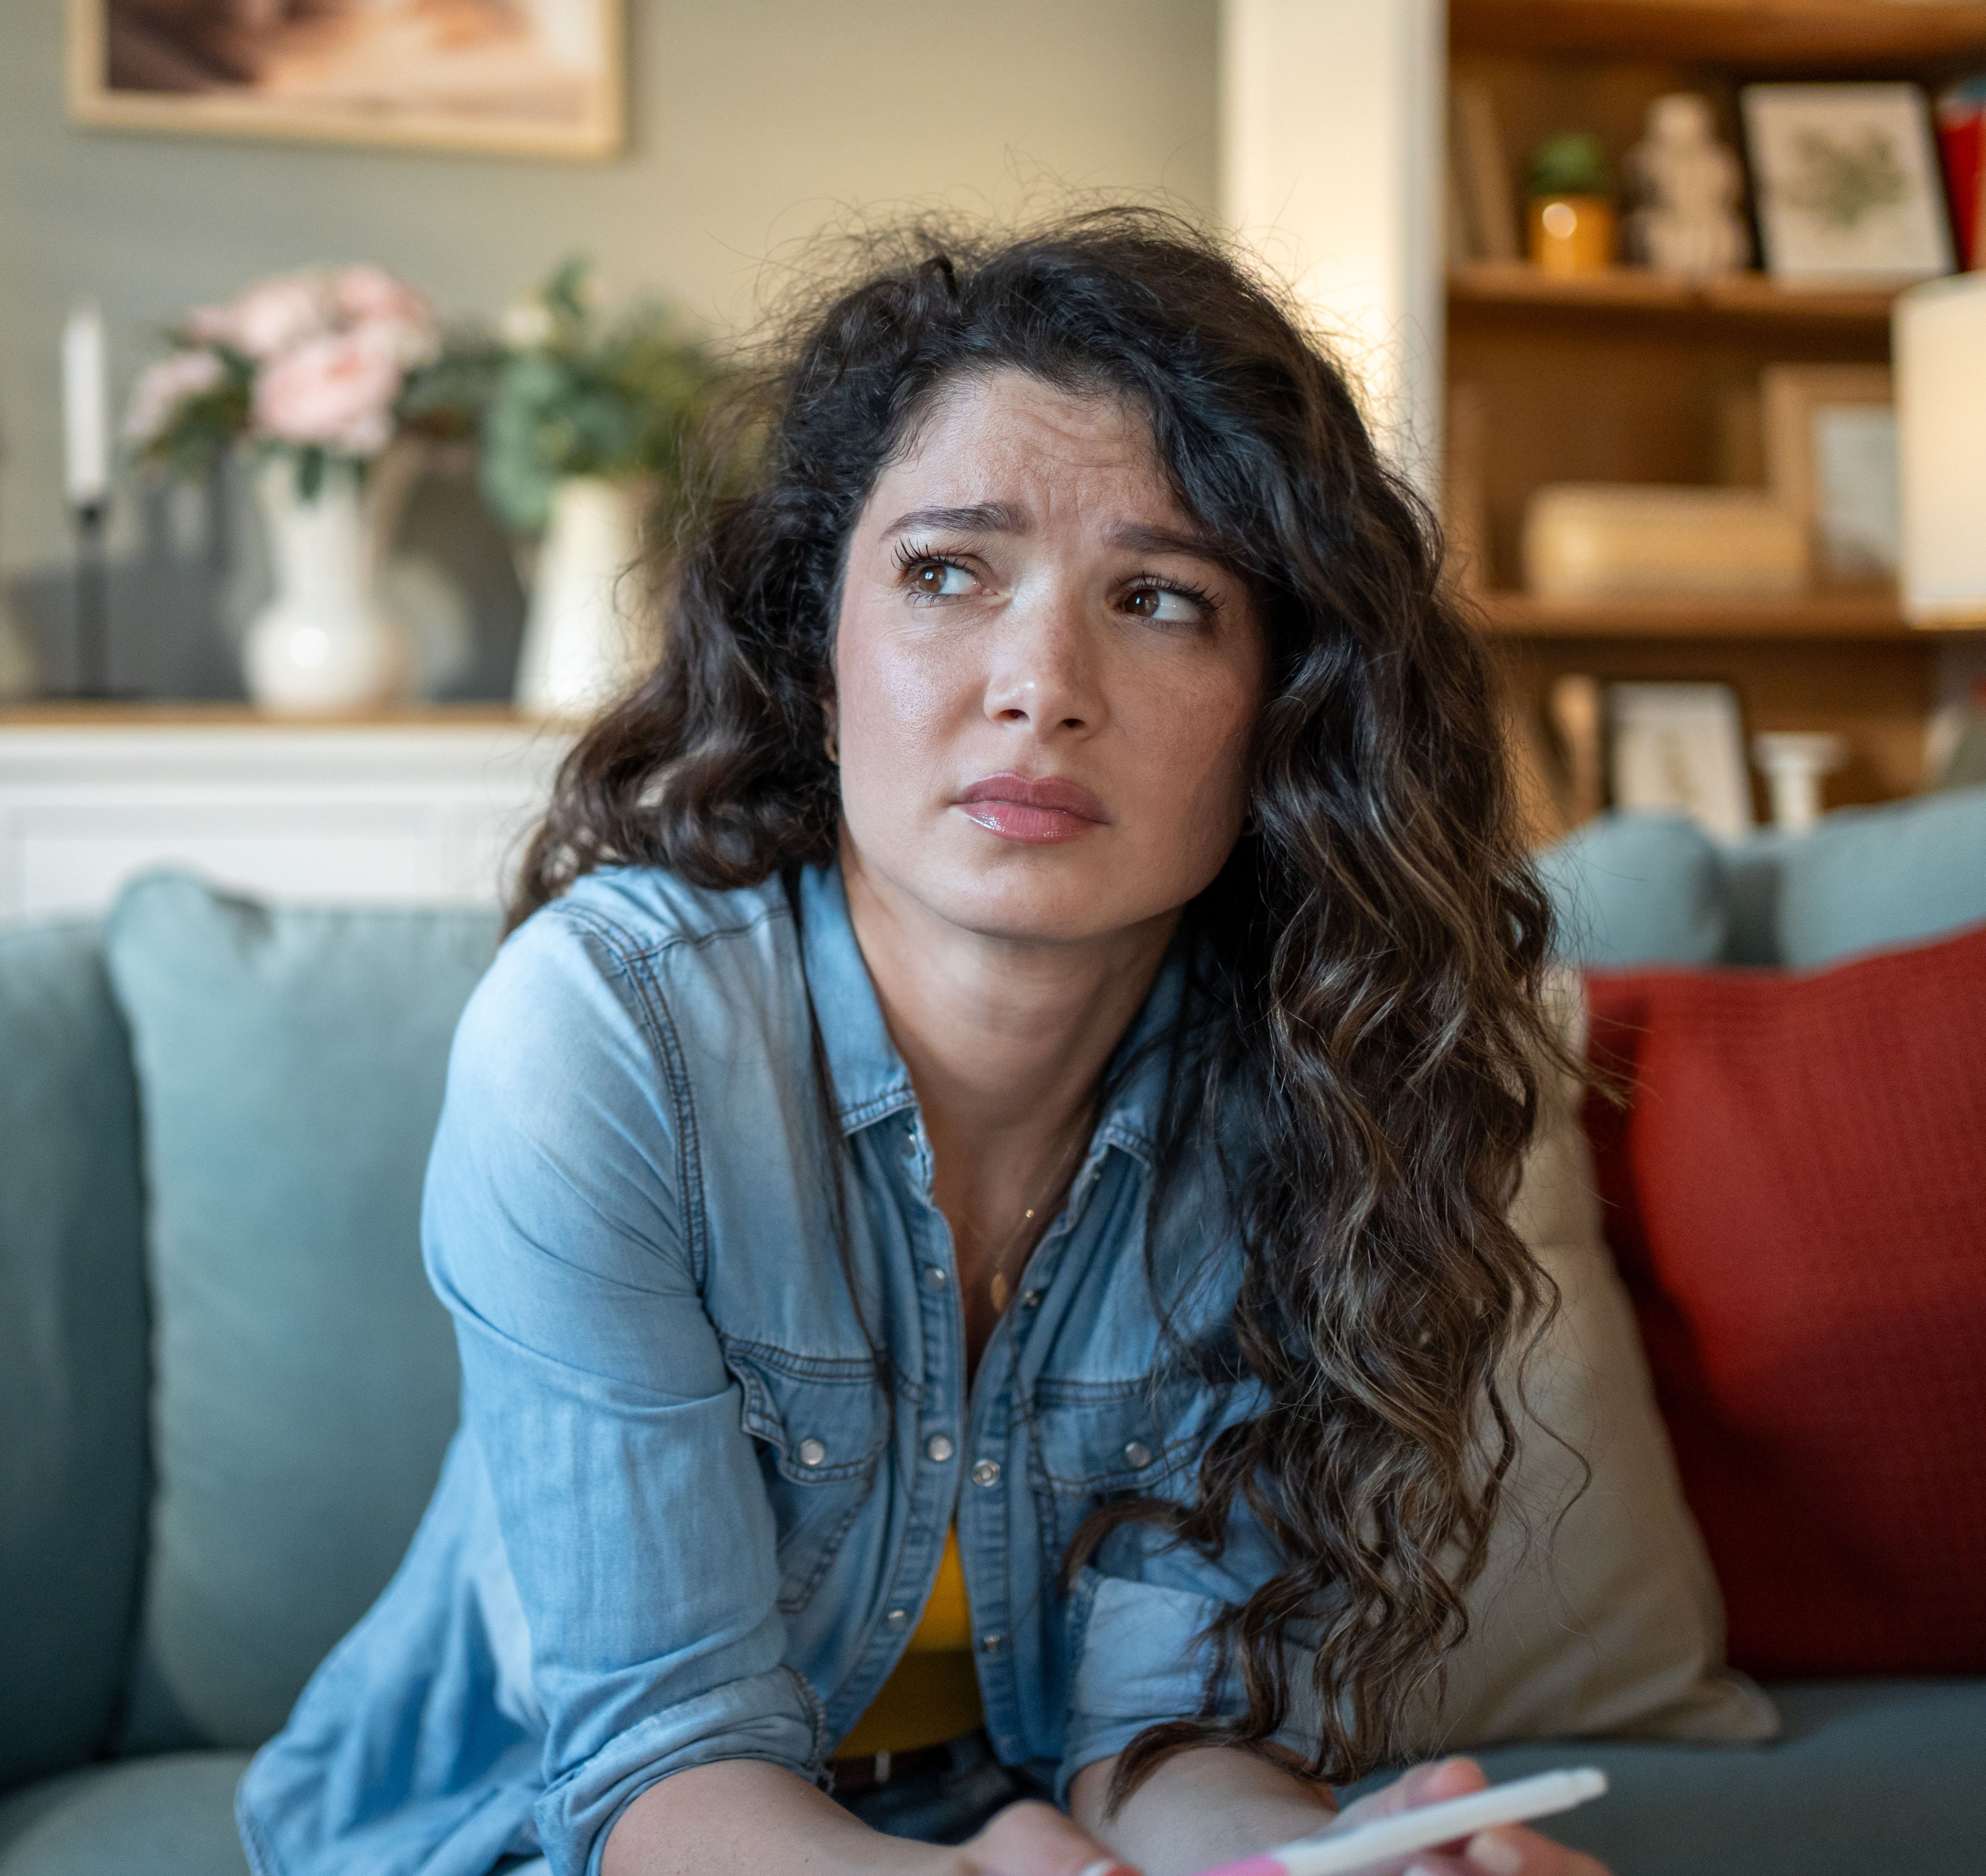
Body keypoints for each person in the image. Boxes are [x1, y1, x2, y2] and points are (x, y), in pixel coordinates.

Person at [239, 211, 1609, 1876]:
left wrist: (1330, 1861)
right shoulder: (608, 1040)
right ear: (823, 654)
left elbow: (1165, 1744)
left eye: (1163, 599)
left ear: (1286, 711)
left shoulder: (1306, 1089)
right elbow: (659, 1768)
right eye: (947, 573)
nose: (1041, 684)